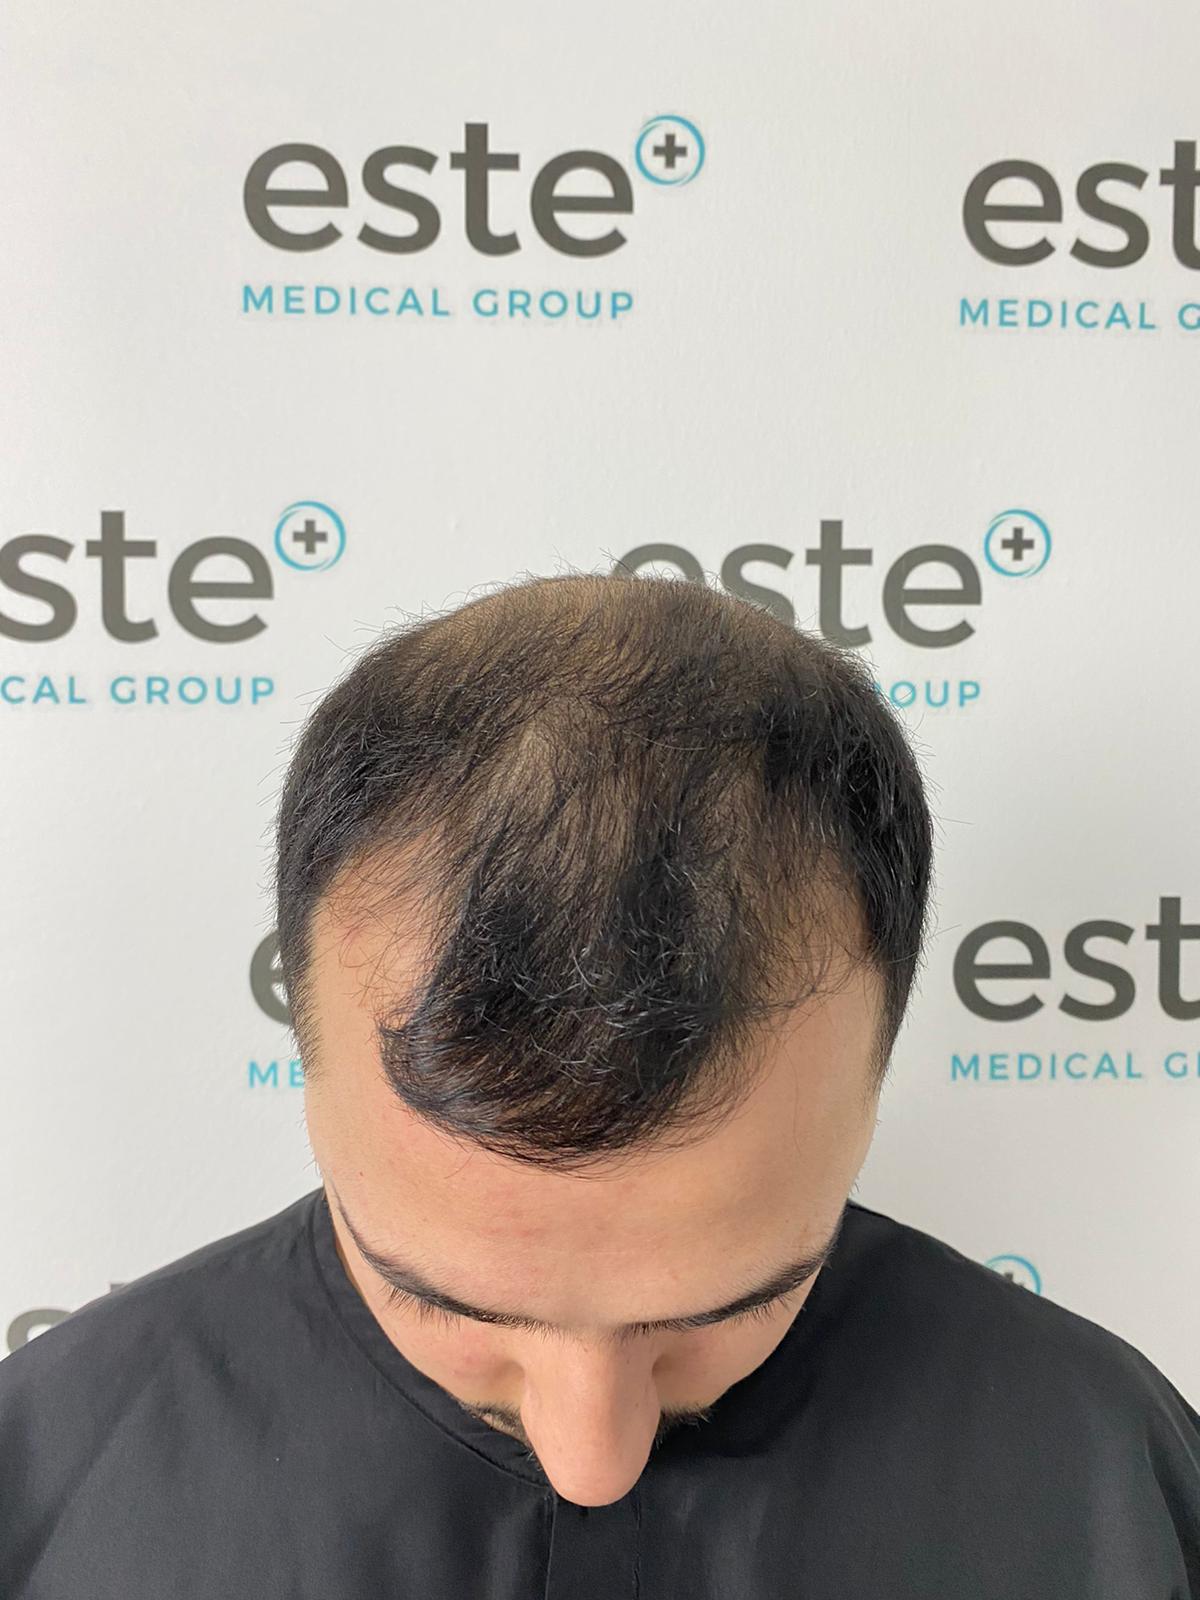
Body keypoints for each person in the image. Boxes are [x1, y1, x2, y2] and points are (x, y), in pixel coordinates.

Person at [1, 569, 1197, 1599]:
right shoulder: (44, 1473)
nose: (592, 1460)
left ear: (876, 1077)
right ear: (304, 1067)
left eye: (723, 1311)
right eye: (450, 1307)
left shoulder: (1111, 1473)